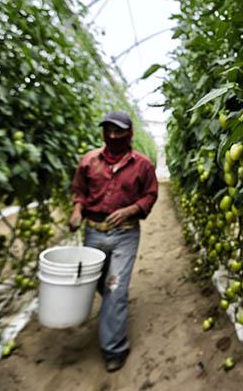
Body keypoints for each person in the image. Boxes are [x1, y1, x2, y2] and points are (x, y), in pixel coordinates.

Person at [68, 111, 158, 372]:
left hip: (125, 234)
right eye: (109, 130)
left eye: (119, 131)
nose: (113, 136)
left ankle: (114, 348)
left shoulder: (141, 165)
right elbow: (80, 191)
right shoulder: (89, 161)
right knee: (96, 282)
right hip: (94, 231)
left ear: (128, 133)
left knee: (116, 287)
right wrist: (77, 211)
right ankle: (112, 309)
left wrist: (130, 210)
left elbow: (150, 195)